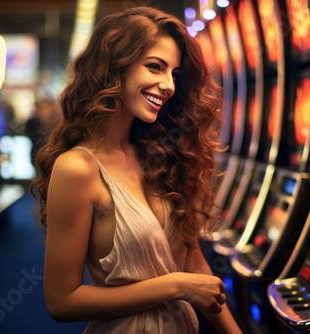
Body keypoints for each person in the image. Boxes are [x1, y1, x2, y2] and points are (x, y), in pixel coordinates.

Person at [31, 6, 243, 334]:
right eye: (155, 67)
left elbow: (192, 262)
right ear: (115, 67)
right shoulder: (77, 168)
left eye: (173, 73)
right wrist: (176, 286)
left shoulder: (160, 154)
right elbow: (62, 301)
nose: (168, 84)